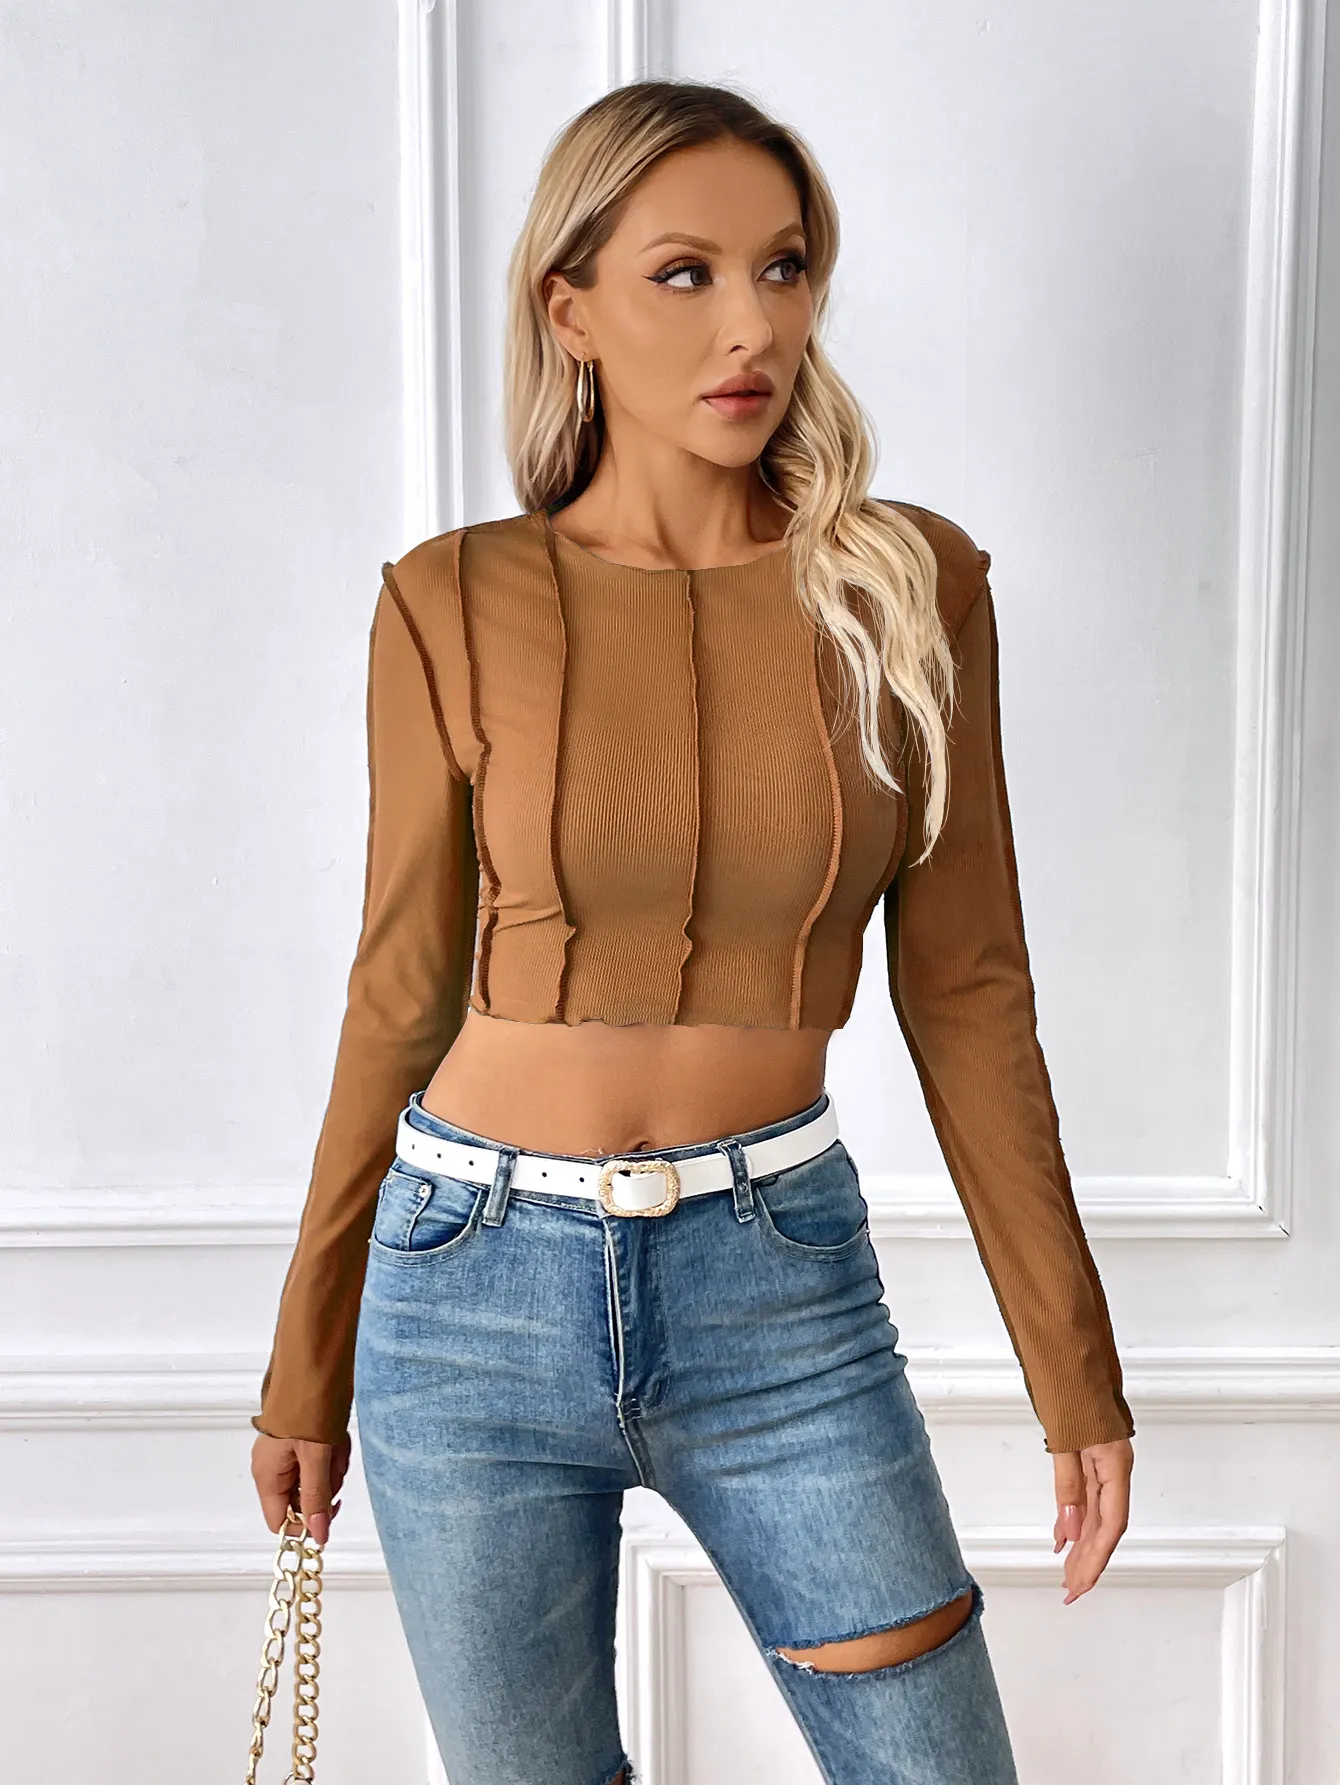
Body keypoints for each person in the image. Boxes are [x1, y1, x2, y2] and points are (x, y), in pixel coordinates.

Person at [249, 77, 1134, 1785]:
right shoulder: (450, 600)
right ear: (569, 309)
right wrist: (307, 1362)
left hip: (777, 1288)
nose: (755, 324)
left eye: (784, 267)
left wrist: (1073, 1373)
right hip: (465, 1290)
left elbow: (968, 992)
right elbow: (400, 989)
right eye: (685, 274)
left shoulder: (909, 587)